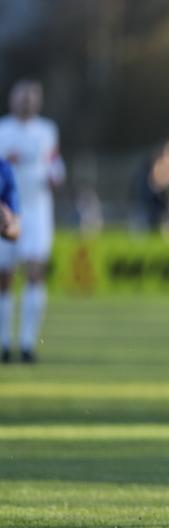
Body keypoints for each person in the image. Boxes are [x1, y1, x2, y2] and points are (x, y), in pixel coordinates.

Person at [0, 80, 65, 363]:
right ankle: (4, 343)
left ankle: (28, 344)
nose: (26, 102)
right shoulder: (2, 130)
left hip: (37, 211)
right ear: (12, 100)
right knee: (4, 277)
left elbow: (55, 165)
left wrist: (56, 176)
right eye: (22, 98)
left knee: (35, 271)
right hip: (7, 209)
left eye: (31, 98)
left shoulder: (47, 130)